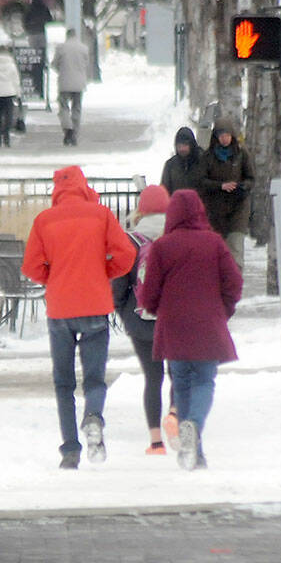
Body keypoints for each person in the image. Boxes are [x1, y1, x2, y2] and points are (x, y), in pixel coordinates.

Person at [23, 165, 136, 469]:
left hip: (60, 308)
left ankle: (70, 450)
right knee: (95, 378)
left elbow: (31, 266)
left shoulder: (44, 220)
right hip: (95, 304)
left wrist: (55, 278)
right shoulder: (100, 215)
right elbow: (126, 254)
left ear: (56, 188)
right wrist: (104, 273)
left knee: (63, 383)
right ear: (83, 186)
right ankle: (94, 416)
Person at [137, 189, 243, 470]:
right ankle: (193, 428)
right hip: (208, 325)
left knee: (181, 383)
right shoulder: (214, 244)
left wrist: (161, 311)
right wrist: (223, 311)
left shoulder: (162, 246)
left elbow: (148, 295)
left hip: (174, 328)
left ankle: (192, 450)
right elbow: (234, 283)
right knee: (205, 381)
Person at [111, 184, 171, 455]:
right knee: (178, 374)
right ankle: (175, 415)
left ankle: (156, 442)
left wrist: (126, 314)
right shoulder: (177, 236)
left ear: (141, 210)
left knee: (153, 378)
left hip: (141, 321)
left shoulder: (130, 241)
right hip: (174, 320)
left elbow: (117, 288)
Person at [200, 118, 254, 267]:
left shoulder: (241, 154)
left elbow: (251, 178)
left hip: (238, 208)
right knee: (217, 250)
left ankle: (236, 281)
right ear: (216, 137)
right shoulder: (208, 157)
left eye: (227, 135)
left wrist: (242, 186)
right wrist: (220, 186)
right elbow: (202, 181)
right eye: (221, 136)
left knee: (236, 247)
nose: (225, 139)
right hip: (216, 211)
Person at [51, 29, 90, 146]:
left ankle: (68, 129)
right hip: (79, 84)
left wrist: (61, 70)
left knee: (63, 107)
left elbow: (54, 64)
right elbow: (86, 64)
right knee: (77, 108)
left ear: (67, 36)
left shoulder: (61, 48)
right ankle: (75, 133)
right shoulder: (84, 48)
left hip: (64, 83)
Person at [160, 126, 204, 194]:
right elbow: (164, 190)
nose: (182, 149)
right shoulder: (170, 165)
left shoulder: (203, 161)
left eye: (185, 145)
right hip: (177, 203)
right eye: (179, 146)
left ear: (191, 145)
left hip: (199, 203)